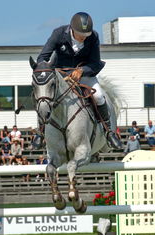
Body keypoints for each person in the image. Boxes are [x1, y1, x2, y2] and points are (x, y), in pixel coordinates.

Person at [36, 12, 121, 149]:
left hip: (85, 74)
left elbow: (94, 63)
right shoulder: (58, 34)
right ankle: (40, 133)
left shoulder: (93, 37)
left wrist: (81, 71)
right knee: (45, 97)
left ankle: (109, 132)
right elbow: (42, 57)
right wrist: (49, 71)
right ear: (72, 29)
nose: (83, 38)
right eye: (80, 34)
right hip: (60, 75)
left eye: (85, 35)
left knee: (99, 96)